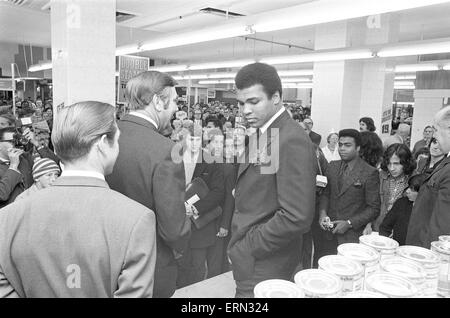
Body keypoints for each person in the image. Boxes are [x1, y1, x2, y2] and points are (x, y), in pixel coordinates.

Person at [0, 101, 157, 298]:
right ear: (101, 145)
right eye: (116, 140)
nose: (118, 148)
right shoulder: (136, 219)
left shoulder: (7, 218)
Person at [229, 63, 316, 297]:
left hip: (266, 263)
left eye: (254, 102)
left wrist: (247, 247)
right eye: (241, 103)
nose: (245, 110)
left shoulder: (290, 139)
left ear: (276, 97)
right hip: (256, 259)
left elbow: (297, 216)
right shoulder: (264, 132)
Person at [106, 71, 191, 298]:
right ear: (157, 101)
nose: (175, 108)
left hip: (109, 259)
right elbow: (173, 228)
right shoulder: (166, 150)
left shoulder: (105, 137)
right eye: (173, 101)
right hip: (150, 266)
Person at [176, 126, 224, 287]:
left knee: (197, 267)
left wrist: (196, 208)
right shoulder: (176, 158)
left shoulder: (210, 160)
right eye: (191, 139)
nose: (195, 143)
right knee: (180, 266)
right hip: (178, 223)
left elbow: (218, 192)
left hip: (200, 225)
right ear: (185, 140)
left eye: (198, 139)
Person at [318, 129, 380, 248]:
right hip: (328, 233)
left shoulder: (369, 172)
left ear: (358, 148)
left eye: (347, 145)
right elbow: (326, 194)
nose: (342, 148)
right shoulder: (332, 166)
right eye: (340, 145)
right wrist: (322, 213)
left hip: (351, 237)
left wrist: (349, 223)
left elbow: (373, 208)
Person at [406, 106, 450, 248]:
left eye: (436, 130)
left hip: (429, 250)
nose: (434, 136)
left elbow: (441, 227)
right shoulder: (445, 163)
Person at [371, 143, 416, 232]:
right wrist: (368, 224)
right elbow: (371, 203)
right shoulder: (380, 176)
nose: (392, 168)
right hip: (377, 227)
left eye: (396, 164)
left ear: (406, 162)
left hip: (400, 230)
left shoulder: (414, 180)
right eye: (389, 163)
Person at [380, 174, 427, 246]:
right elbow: (385, 226)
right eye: (408, 187)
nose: (407, 191)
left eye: (412, 189)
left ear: (422, 192)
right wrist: (387, 243)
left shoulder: (430, 210)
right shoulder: (401, 203)